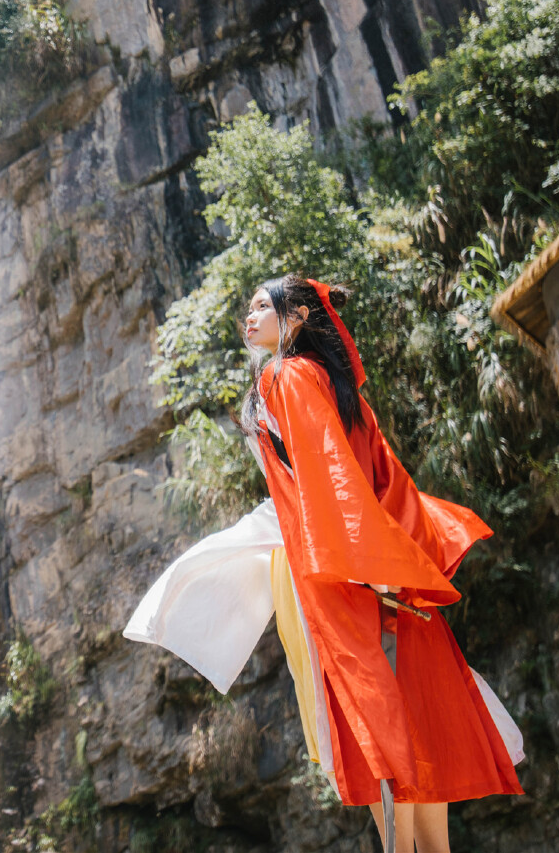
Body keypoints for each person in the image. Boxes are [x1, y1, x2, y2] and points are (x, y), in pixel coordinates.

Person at [124, 275, 523, 853]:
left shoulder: (283, 375)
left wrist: (361, 562)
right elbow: (384, 479)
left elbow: (330, 474)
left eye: (264, 305)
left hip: (340, 563)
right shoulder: (340, 390)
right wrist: (396, 558)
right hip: (377, 560)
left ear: (299, 318)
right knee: (414, 719)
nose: (250, 315)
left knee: (371, 721)